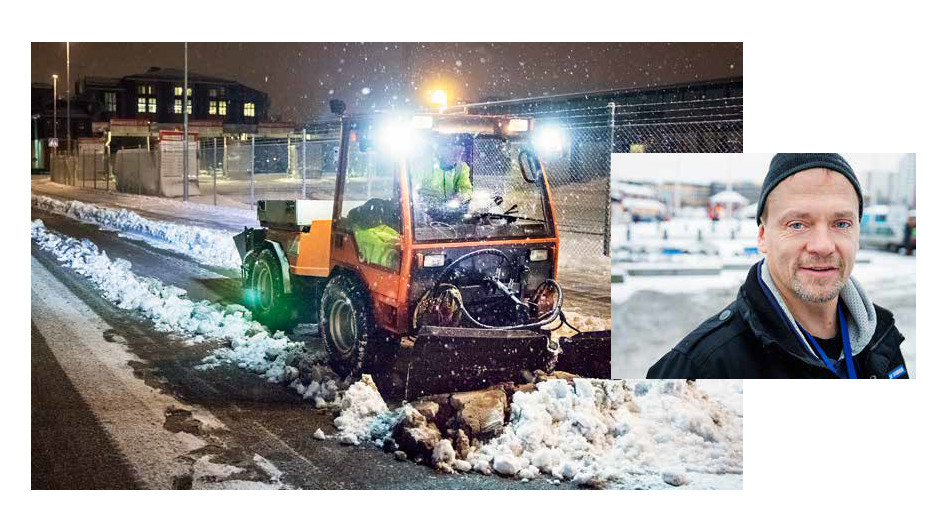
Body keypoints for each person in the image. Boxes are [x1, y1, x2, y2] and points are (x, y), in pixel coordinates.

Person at [648, 153, 909, 379]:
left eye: (841, 224)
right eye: (797, 224)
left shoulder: (882, 337)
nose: (822, 246)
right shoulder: (699, 366)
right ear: (763, 236)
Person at [412, 138, 473, 221]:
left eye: (460, 153)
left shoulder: (462, 167)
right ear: (440, 151)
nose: (457, 157)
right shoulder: (423, 165)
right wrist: (418, 212)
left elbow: (466, 189)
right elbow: (411, 191)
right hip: (426, 211)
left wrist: (461, 197)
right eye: (453, 152)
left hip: (450, 212)